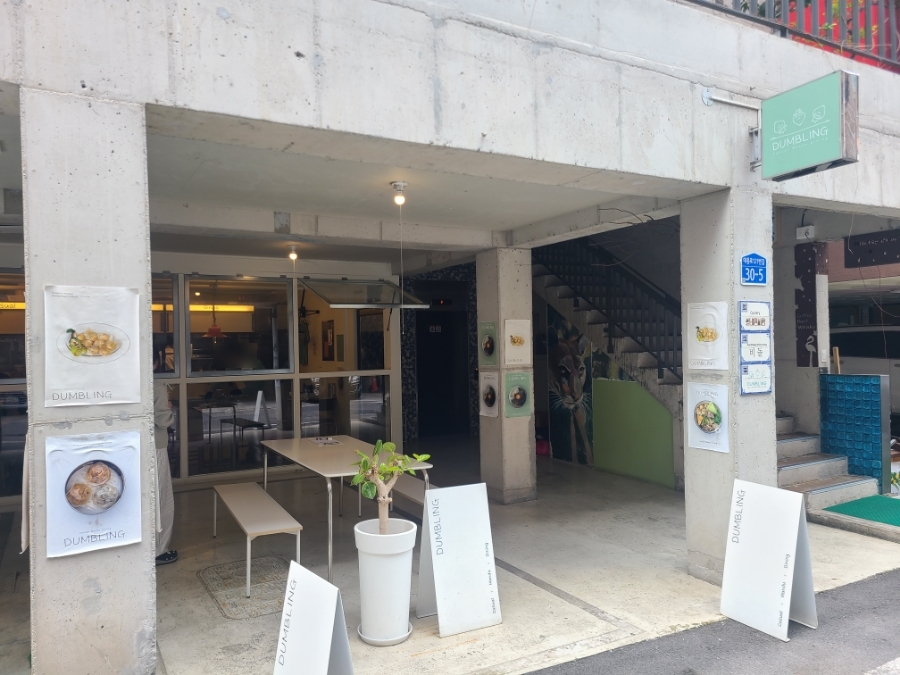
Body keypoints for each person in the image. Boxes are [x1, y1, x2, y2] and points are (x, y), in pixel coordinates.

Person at [153, 354, 177, 565]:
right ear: (155, 363)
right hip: (156, 448)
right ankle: (159, 550)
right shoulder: (156, 386)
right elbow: (163, 420)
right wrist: (169, 407)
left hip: (133, 448)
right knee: (162, 499)